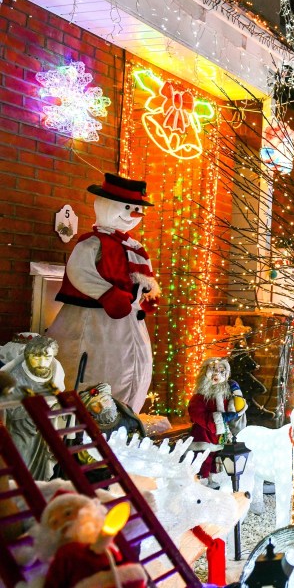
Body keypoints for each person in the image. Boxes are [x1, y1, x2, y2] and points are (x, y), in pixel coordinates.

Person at [46, 173, 160, 413]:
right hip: (96, 320)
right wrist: (107, 294)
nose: (135, 214)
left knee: (130, 368)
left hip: (130, 322)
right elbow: (79, 271)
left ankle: (126, 417)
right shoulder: (92, 242)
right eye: (128, 207)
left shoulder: (136, 248)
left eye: (138, 209)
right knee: (98, 368)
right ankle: (90, 420)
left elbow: (143, 279)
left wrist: (146, 296)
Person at [1, 336, 65, 479]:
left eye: (47, 357)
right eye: (36, 357)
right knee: (20, 469)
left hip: (44, 431)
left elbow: (57, 394)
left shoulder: (55, 370)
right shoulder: (16, 378)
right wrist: (39, 406)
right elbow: (10, 410)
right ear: (27, 356)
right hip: (21, 432)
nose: (42, 362)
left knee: (42, 472)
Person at [188, 357, 247, 480]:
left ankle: (213, 480)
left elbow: (238, 407)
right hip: (204, 434)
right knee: (203, 458)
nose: (217, 375)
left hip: (221, 435)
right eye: (213, 371)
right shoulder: (200, 397)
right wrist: (221, 418)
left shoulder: (226, 395)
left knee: (216, 458)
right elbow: (197, 414)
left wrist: (236, 392)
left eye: (221, 372)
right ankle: (201, 483)